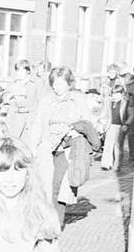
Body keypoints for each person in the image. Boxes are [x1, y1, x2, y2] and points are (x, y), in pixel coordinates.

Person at [28, 67, 89, 226]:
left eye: (61, 84)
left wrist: (79, 132)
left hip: (68, 148)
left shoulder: (77, 99)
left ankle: (55, 224)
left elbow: (88, 122)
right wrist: (32, 147)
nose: (57, 87)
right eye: (55, 84)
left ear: (69, 83)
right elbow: (37, 125)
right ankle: (44, 220)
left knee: (58, 187)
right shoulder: (46, 100)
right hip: (48, 147)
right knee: (44, 186)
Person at [100, 79, 128, 170]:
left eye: (118, 94)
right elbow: (105, 113)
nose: (115, 96)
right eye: (114, 93)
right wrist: (102, 121)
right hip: (111, 125)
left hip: (120, 126)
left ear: (122, 94)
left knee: (118, 146)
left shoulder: (125, 103)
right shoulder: (110, 103)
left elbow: (130, 114)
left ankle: (117, 164)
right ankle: (106, 164)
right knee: (108, 144)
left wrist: (126, 124)